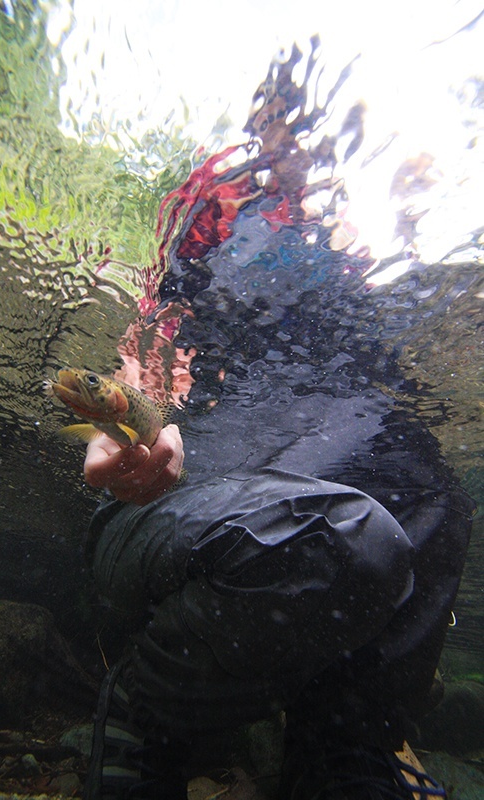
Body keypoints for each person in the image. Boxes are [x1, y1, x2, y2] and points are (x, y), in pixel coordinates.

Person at [81, 43, 474, 800]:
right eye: (282, 118)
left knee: (434, 496)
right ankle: (148, 714)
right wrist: (128, 418)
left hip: (284, 506)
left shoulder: (348, 249)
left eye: (317, 126)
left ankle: (343, 749)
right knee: (345, 535)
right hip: (179, 513)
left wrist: (412, 211)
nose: (296, 141)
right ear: (260, 122)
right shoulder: (214, 207)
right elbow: (147, 325)